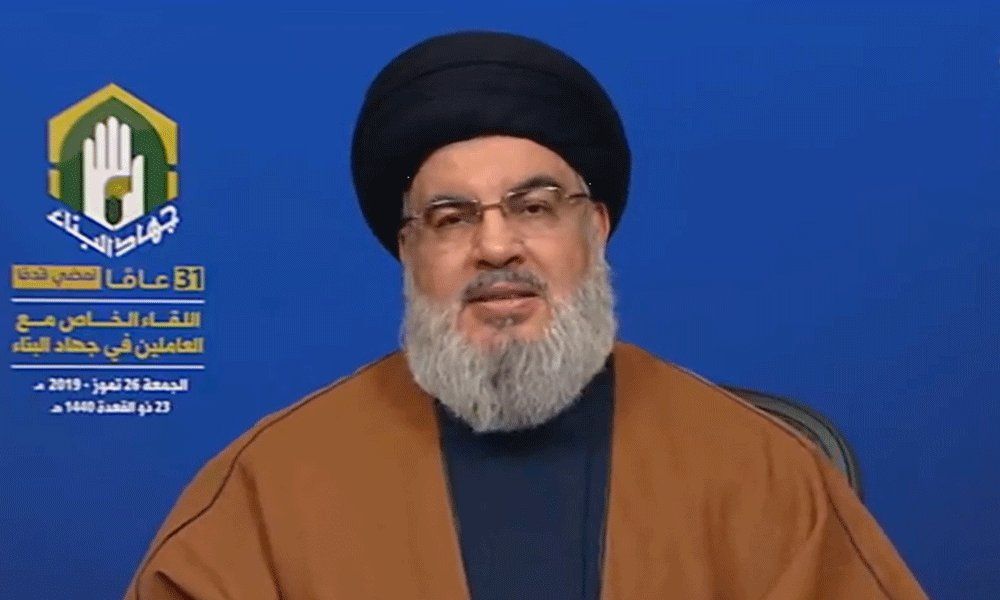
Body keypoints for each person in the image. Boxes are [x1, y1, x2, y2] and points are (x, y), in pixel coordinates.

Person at [125, 31, 927, 599]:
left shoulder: (760, 474)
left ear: (595, 229)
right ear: (409, 250)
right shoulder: (270, 488)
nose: (496, 246)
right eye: (450, 218)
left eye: (534, 207)